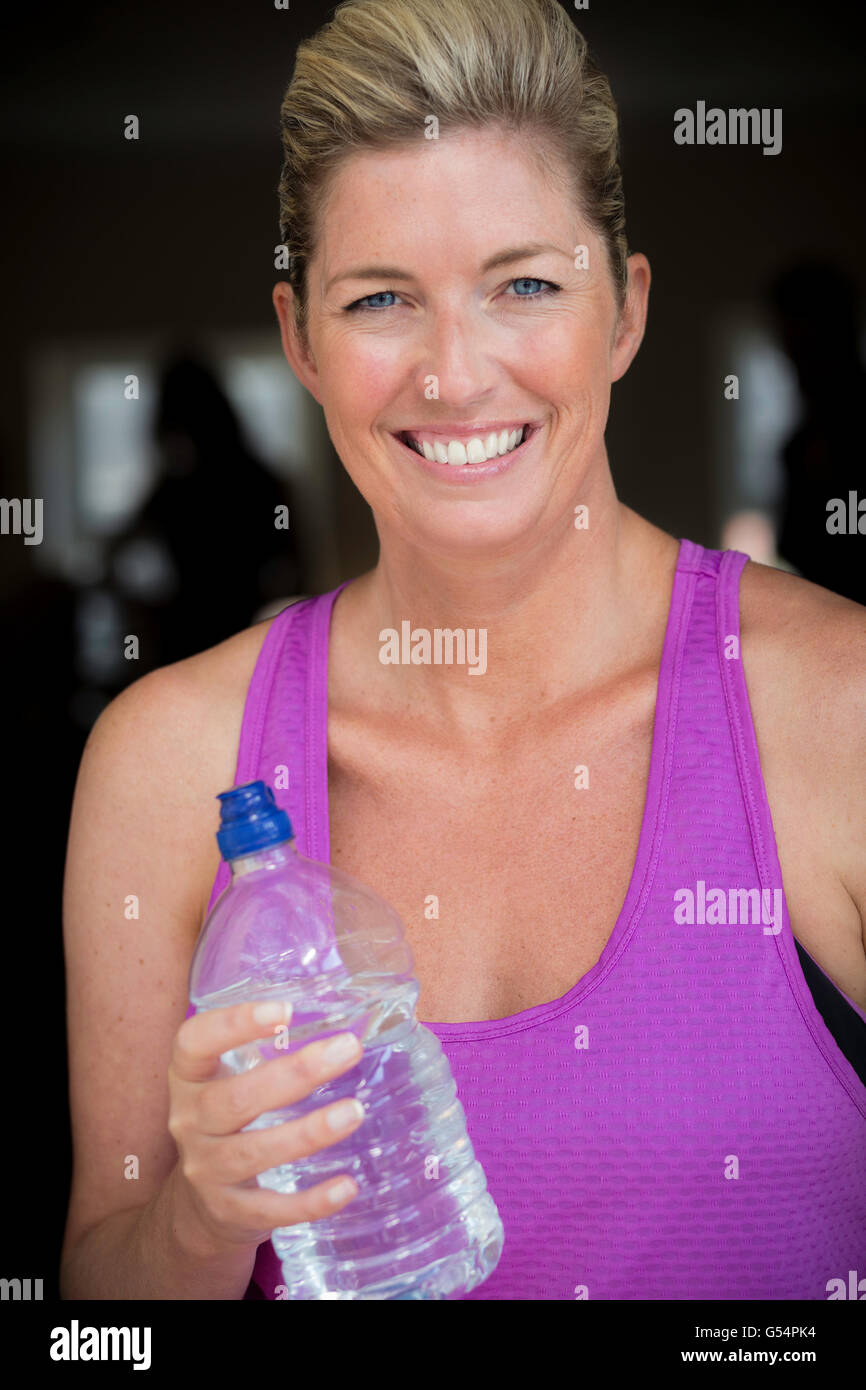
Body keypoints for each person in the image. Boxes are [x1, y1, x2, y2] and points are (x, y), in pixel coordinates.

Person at [60, 0, 866, 1301]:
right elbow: (98, 1327)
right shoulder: (164, 765)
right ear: (299, 340)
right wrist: (201, 1221)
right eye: (380, 298)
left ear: (623, 311)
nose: (453, 372)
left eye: (524, 285)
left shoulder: (842, 708)